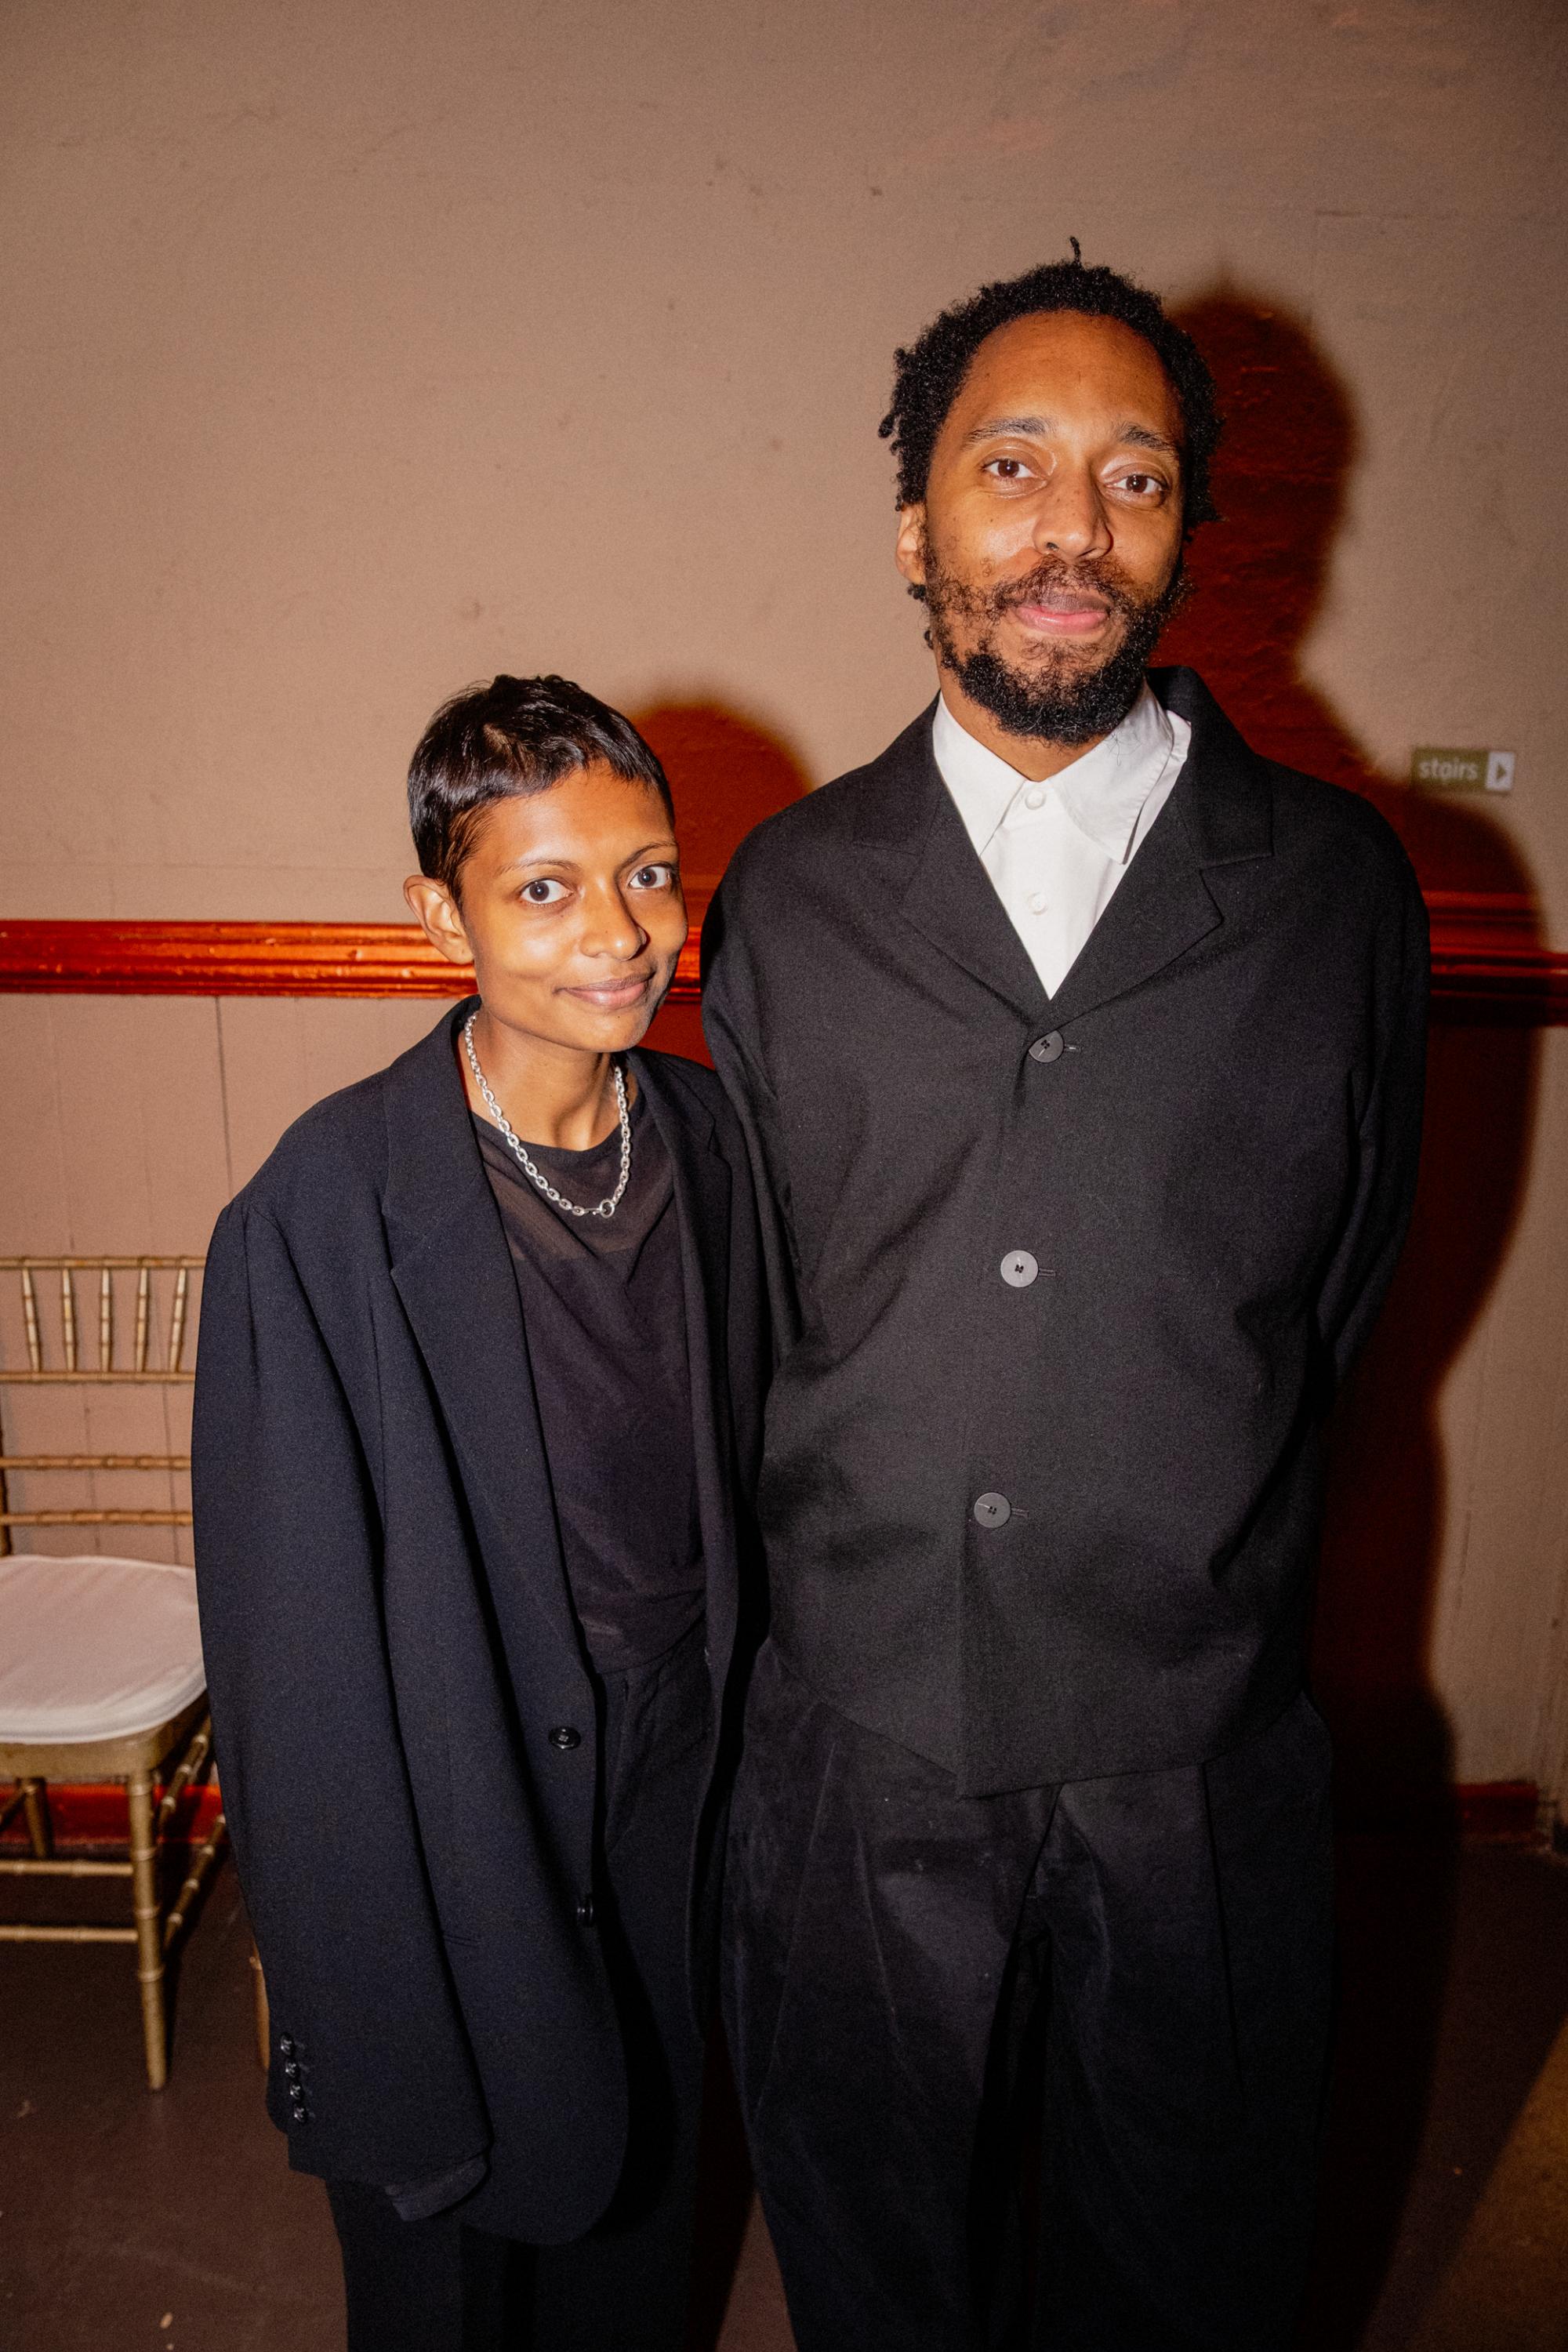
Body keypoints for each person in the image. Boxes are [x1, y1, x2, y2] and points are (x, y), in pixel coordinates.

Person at [701, 251, 1428, 2350]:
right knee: (878, 2273)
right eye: (1010, 466)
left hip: (1198, 1749)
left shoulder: (1336, 892)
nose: (1072, 528)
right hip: (861, 1743)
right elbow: (756, 1315)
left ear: (1187, 535)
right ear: (915, 527)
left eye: (1134, 476)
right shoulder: (789, 896)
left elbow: (1344, 1293)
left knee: (1193, 2269)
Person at [192, 674, 767, 2352]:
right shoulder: (321, 1211)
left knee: (644, 2213)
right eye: (543, 888)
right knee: (448, 2255)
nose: (618, 933)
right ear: (439, 917)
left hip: (675, 1786)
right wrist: (357, 2005)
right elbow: (292, 1672)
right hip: (451, 1807)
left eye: (647, 874)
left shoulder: (715, 1144)